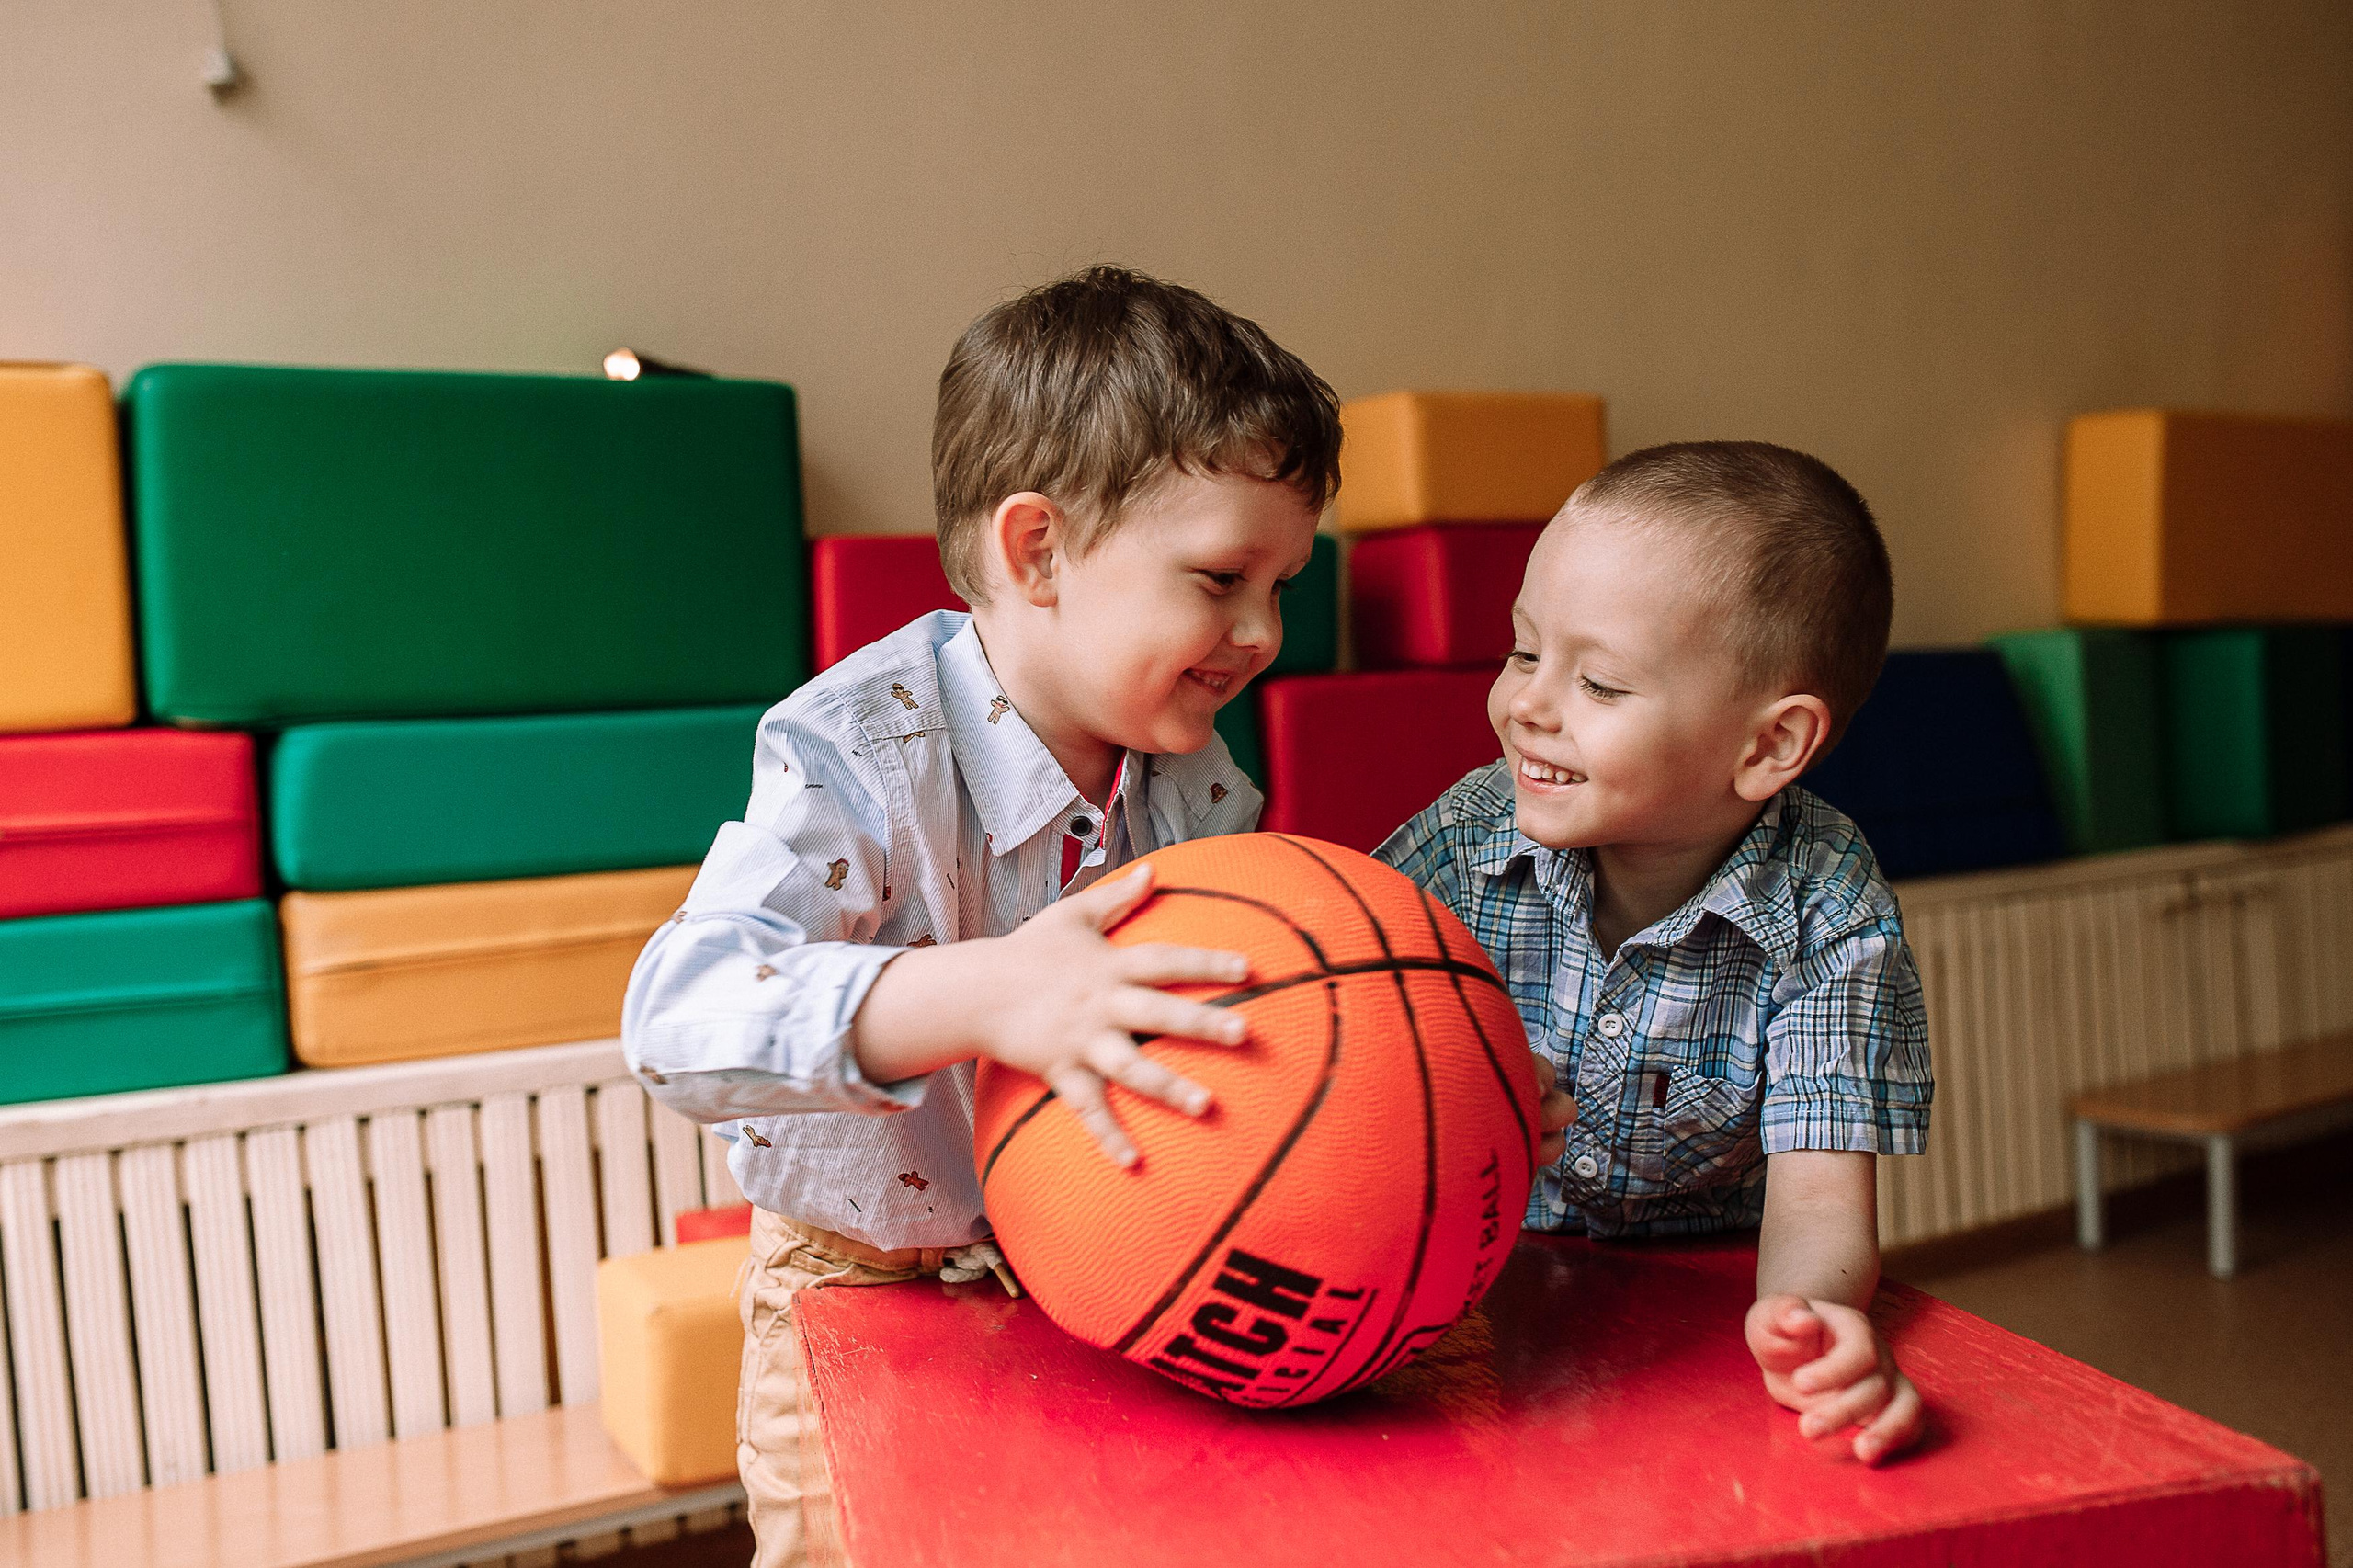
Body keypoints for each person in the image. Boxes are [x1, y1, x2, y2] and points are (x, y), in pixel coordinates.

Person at [622, 265, 1576, 1564]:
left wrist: (1451, 1093)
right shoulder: (858, 752)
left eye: (1283, 585)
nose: (1261, 631)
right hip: (858, 1282)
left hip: (1099, 1258)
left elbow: (1252, 1033)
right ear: (1038, 550)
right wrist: (989, 991)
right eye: (1221, 576)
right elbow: (676, 1023)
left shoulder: (1196, 776)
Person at [1377, 440, 1935, 1464]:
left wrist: (1810, 1322)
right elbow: (1344, 1009)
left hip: (1703, 1293)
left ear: (1768, 745)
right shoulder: (1465, 835)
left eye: (1598, 682)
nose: (1527, 704)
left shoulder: (1833, 908)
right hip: (1482, 1278)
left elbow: (1819, 1200)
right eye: (1522, 651)